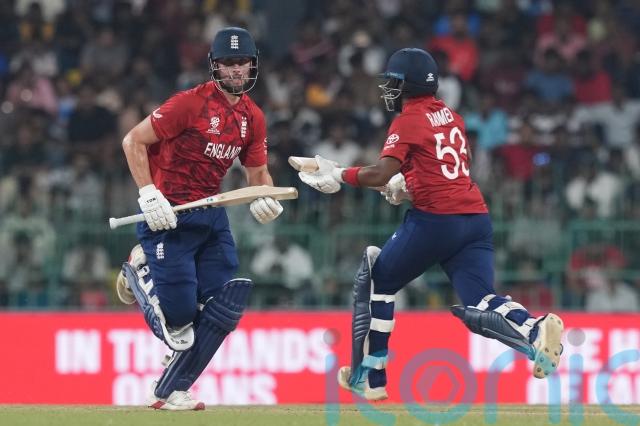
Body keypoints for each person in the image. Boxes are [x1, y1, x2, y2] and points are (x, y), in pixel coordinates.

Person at [297, 48, 564, 401]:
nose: (388, 90)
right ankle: (533, 328)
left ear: (407, 85)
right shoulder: (453, 117)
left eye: (393, 82)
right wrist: (406, 185)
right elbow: (447, 168)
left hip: (436, 220)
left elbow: (380, 173)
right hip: (475, 219)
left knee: (378, 279)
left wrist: (339, 174)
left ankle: (370, 377)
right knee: (482, 300)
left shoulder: (408, 120)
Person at [115, 27, 284, 410]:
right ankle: (136, 268)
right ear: (215, 66)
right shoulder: (188, 104)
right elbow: (133, 141)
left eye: (243, 63)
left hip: (210, 212)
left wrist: (266, 198)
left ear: (253, 65)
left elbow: (258, 174)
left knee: (222, 307)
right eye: (229, 63)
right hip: (167, 213)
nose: (236, 70)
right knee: (178, 321)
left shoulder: (253, 117)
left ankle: (173, 385)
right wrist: (148, 193)